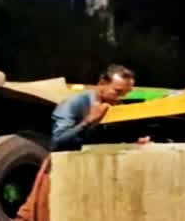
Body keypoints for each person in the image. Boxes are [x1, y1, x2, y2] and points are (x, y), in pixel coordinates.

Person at [15, 65, 137, 221]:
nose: (119, 98)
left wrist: (133, 142)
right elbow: (58, 143)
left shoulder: (115, 107)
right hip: (63, 173)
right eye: (117, 92)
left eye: (125, 94)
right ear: (101, 83)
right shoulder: (74, 104)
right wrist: (88, 121)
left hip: (92, 175)